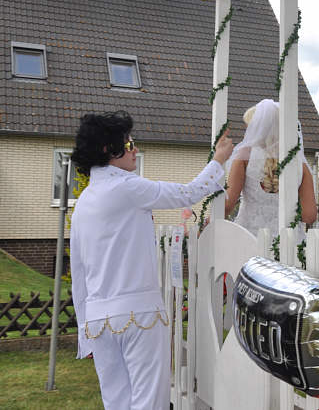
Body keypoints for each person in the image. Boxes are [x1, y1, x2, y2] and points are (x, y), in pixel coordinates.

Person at [69, 111, 233, 409]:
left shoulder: (82, 204)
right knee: (149, 401)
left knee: (116, 403)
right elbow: (187, 194)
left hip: (98, 320)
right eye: (129, 144)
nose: (136, 150)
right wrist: (218, 161)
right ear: (108, 149)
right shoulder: (127, 187)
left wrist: (85, 331)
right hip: (139, 314)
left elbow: (78, 273)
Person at [224, 99, 317, 237]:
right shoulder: (299, 164)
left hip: (250, 236)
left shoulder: (245, 156)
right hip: (288, 239)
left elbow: (227, 206)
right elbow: (309, 216)